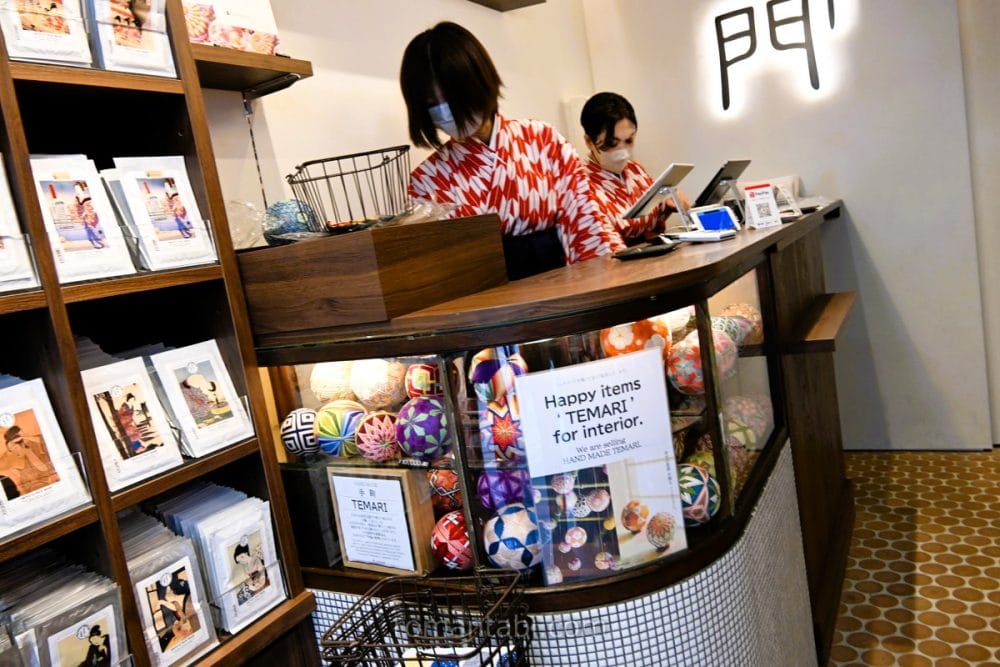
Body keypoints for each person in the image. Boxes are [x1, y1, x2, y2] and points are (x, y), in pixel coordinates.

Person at [400, 21, 615, 279]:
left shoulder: (542, 140)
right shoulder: (426, 181)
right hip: (489, 309)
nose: (445, 110)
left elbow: (587, 223)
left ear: (479, 81)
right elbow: (441, 273)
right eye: (432, 103)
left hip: (567, 291)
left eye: (452, 97)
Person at [580, 92, 691, 248]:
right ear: (589, 142)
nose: (623, 151)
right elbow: (605, 248)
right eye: (612, 143)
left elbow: (655, 215)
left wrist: (669, 201)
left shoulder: (635, 170)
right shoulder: (581, 186)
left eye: (629, 140)